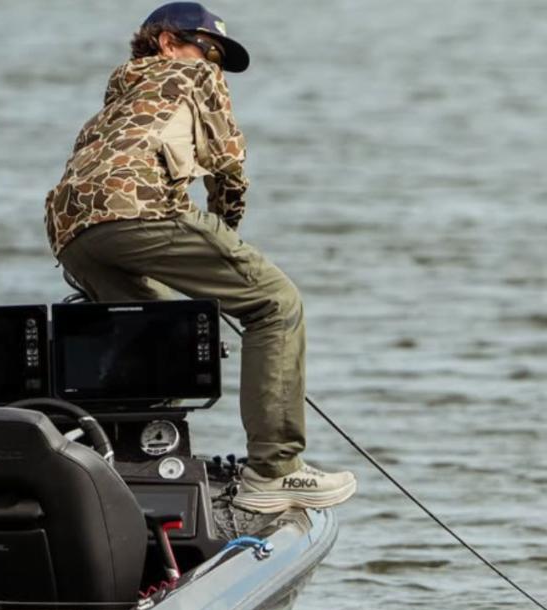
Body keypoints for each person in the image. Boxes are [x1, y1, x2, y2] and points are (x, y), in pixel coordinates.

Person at [44, 2, 356, 514]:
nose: (214, 64)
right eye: (208, 49)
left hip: (71, 229)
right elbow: (228, 164)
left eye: (218, 59)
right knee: (275, 304)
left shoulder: (121, 92)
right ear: (168, 43)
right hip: (139, 208)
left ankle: (127, 467)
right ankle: (274, 472)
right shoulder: (194, 76)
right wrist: (226, 235)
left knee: (164, 332)